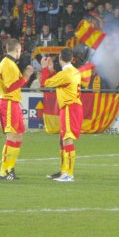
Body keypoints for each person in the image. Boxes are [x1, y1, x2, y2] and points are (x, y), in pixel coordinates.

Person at [0, 38, 35, 181]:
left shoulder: (11, 64)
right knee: (12, 136)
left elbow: (15, 84)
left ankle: (9, 168)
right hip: (8, 103)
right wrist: (26, 76)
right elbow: (9, 87)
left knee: (19, 135)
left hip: (14, 103)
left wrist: (25, 76)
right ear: (17, 50)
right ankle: (4, 170)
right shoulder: (7, 64)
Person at [42, 48, 82, 182]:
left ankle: (69, 174)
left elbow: (46, 83)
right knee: (62, 139)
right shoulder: (74, 71)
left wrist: (45, 69)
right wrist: (52, 70)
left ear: (60, 58)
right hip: (72, 107)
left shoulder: (66, 73)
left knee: (67, 138)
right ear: (71, 58)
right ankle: (64, 170)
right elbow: (59, 81)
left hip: (69, 107)